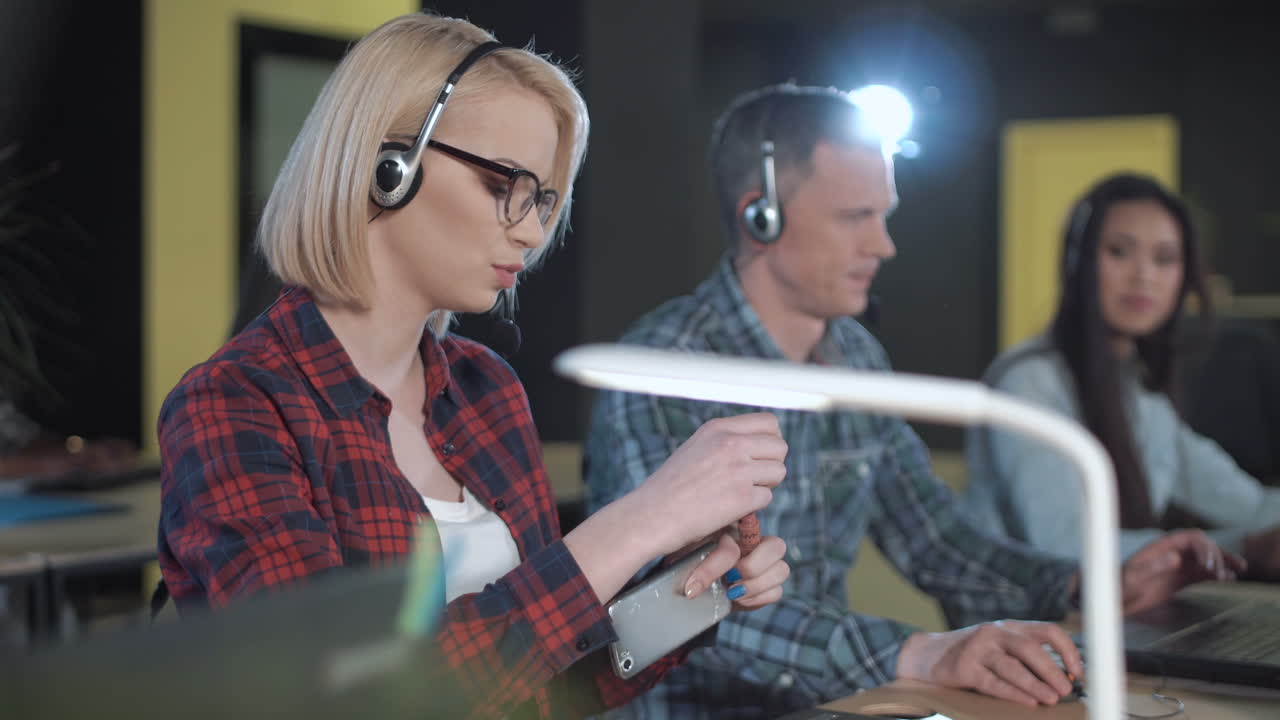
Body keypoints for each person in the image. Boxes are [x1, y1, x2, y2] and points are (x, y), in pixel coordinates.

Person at [155, 14, 790, 719]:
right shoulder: (232, 403)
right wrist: (637, 523)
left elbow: (549, 681)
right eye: (504, 185)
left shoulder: (485, 389)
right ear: (387, 166)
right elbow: (337, 699)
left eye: (544, 199)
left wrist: (693, 589)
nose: (531, 230)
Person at [584, 84, 1241, 719]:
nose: (884, 245)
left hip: (837, 706)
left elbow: (937, 539)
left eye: (884, 215)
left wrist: (1086, 585)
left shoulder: (858, 359)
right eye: (855, 217)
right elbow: (672, 612)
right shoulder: (664, 369)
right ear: (761, 215)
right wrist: (919, 655)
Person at [965, 172, 1280, 574]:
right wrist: (1244, 548)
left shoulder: (1138, 386)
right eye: (1119, 252)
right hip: (1034, 627)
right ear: (1076, 259)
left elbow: (1245, 502)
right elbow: (1065, 544)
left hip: (1113, 614)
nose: (1144, 276)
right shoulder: (1030, 382)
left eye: (1165, 259)